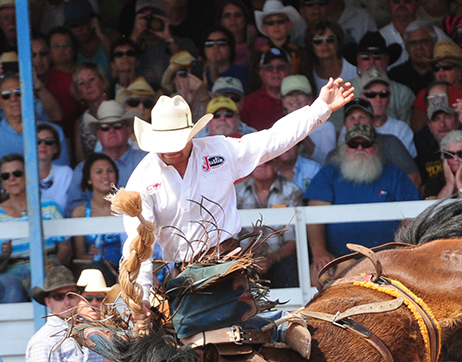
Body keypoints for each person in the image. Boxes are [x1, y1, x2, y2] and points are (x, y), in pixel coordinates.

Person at [122, 78, 354, 297]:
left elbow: (272, 140)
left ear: (191, 136)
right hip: (183, 272)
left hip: (228, 262)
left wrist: (319, 109)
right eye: (164, 144)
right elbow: (139, 241)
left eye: (177, 141)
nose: (171, 150)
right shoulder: (142, 179)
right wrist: (142, 293)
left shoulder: (220, 151)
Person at [306, 123, 418, 282]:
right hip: (339, 259)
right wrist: (319, 252)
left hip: (387, 259)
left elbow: (410, 218)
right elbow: (314, 214)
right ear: (345, 148)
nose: (360, 148)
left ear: (376, 148)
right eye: (353, 144)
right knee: (317, 275)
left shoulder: (395, 174)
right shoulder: (328, 174)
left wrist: (405, 252)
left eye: (366, 144)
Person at [0, 153, 70, 303]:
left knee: (43, 288)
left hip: (46, 268)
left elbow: (66, 247)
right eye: (5, 176)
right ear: (2, 182)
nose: (12, 179)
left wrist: (55, 262)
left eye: (17, 173)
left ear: (28, 175)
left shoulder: (50, 207)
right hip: (10, 272)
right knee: (12, 291)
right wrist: (3, 256)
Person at [236, 157, 304, 287]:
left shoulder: (292, 191)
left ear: (277, 163)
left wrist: (273, 257)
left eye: (268, 162)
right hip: (243, 259)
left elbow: (294, 240)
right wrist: (246, 258)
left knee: (289, 266)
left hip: (279, 259)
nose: (262, 165)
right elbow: (229, 237)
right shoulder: (236, 191)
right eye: (257, 162)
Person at [70, 154, 124, 278]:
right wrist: (91, 255)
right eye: (99, 172)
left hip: (127, 269)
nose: (105, 176)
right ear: (89, 179)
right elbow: (79, 255)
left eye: (110, 171)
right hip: (96, 274)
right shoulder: (80, 212)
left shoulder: (126, 208)